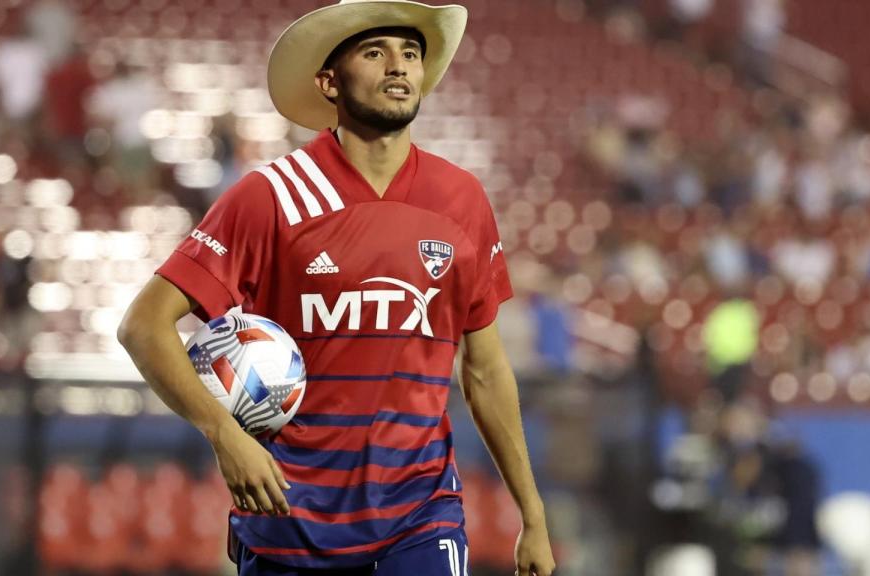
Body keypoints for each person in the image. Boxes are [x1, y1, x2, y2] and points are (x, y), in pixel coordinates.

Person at [118, 1, 555, 575]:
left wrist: (533, 514)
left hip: (421, 517)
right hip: (290, 525)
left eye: (411, 53)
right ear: (329, 82)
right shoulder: (270, 196)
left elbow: (485, 370)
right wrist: (223, 433)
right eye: (375, 53)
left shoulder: (462, 200)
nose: (398, 66)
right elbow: (143, 326)